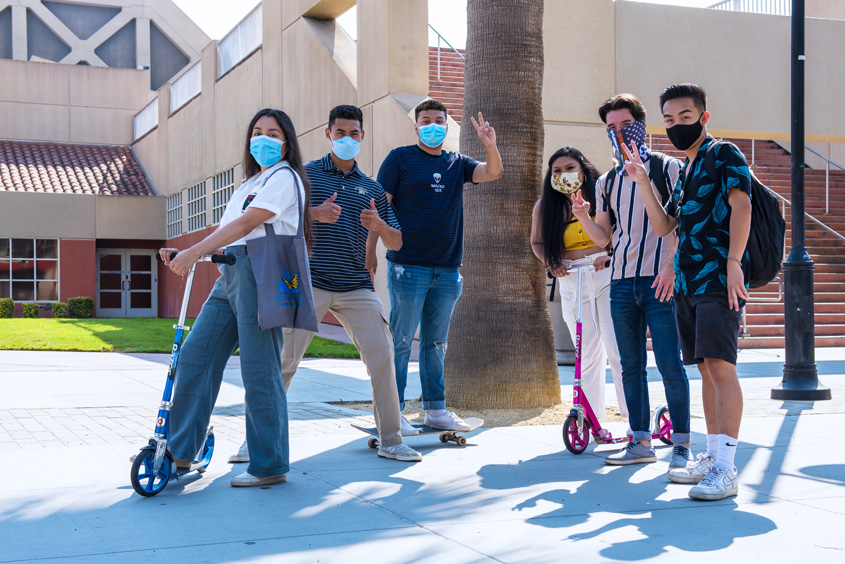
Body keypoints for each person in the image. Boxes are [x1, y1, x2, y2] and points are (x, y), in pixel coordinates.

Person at [228, 105, 422, 463]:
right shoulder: (303, 176)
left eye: (353, 133)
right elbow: (276, 218)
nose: (347, 139)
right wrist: (314, 214)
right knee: (282, 363)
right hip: (307, 282)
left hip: (357, 288)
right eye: (340, 132)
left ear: (362, 136)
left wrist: (380, 226)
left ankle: (391, 439)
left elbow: (397, 241)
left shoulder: (373, 188)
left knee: (383, 357)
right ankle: (254, 440)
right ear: (328, 134)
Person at [158, 108, 309, 487]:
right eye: (257, 131)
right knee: (196, 355)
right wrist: (186, 252)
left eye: (273, 133)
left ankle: (269, 466)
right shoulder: (250, 182)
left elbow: (246, 225)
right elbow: (229, 230)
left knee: (258, 368)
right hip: (231, 272)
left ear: (287, 142)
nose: (263, 139)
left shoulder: (285, 177)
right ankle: (178, 452)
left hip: (260, 272)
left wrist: (192, 252)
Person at [631, 83, 752, 501]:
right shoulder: (687, 167)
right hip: (688, 282)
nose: (676, 125)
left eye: (685, 117)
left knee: (721, 367)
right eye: (668, 120)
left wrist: (734, 264)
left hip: (719, 280)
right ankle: (713, 456)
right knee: (704, 368)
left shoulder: (723, 154)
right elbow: (667, 227)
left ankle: (727, 468)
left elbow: (742, 206)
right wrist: (643, 182)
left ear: (703, 117)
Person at [375, 99, 503, 434]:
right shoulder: (399, 159)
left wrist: (490, 145)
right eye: (426, 120)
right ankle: (393, 412)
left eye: (439, 120)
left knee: (436, 344)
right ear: (416, 126)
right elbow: (378, 208)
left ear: (447, 126)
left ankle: (435, 410)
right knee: (401, 340)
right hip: (407, 267)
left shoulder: (457, 163)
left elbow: (493, 172)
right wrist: (372, 254)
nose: (433, 126)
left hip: (447, 270)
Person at [581, 94, 692, 470]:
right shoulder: (607, 181)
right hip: (621, 284)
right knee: (630, 366)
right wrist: (581, 215)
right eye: (611, 128)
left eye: (625, 125)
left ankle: (680, 444)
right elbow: (603, 237)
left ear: (642, 124)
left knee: (668, 364)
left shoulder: (668, 168)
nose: (618, 133)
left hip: (660, 281)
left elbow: (681, 225)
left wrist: (671, 267)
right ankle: (640, 440)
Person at [529, 147, 627, 424]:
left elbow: (621, 233)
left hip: (607, 273)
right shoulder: (544, 206)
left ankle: (635, 421)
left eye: (570, 168)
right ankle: (590, 421)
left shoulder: (603, 196)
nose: (563, 175)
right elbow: (537, 242)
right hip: (571, 276)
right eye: (557, 171)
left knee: (617, 347)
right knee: (586, 352)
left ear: (583, 169)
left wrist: (610, 254)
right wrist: (552, 262)